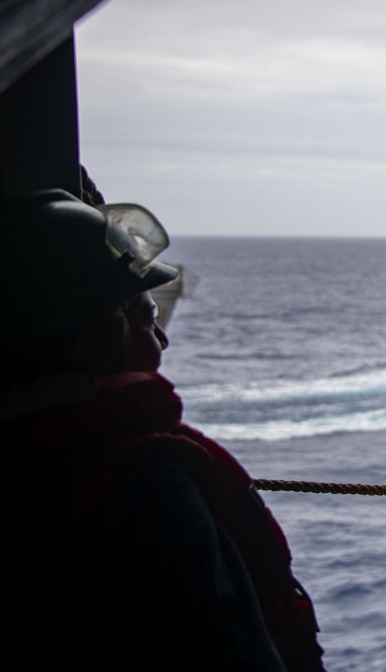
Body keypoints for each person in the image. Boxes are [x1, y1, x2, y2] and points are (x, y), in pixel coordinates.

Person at [0, 189, 326, 671]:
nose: (162, 342)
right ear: (94, 347)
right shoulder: (145, 482)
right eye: (147, 321)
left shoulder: (30, 458)